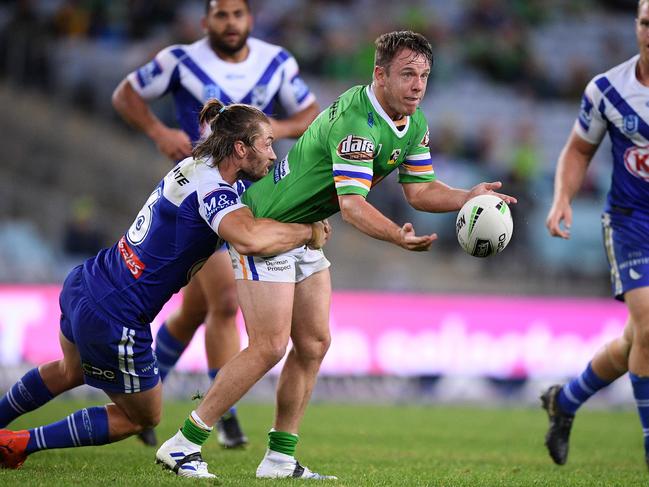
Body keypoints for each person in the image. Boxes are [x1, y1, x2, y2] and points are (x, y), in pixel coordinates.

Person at [156, 30, 517, 480]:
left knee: (313, 343)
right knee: (269, 347)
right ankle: (183, 444)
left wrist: (467, 196)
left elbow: (420, 190)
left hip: (307, 232)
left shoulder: (414, 123)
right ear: (379, 75)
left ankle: (279, 458)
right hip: (269, 226)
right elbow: (351, 205)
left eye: (424, 75)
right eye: (408, 74)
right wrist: (396, 237)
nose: (419, 85)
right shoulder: (357, 122)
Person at [0, 101, 329, 473]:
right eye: (266, 144)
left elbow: (213, 132)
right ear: (240, 148)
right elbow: (249, 238)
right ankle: (20, 444)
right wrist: (308, 231)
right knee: (140, 417)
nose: (272, 154)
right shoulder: (214, 190)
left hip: (88, 280)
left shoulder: (201, 161)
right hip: (117, 312)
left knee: (67, 370)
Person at [111, 0, 319, 447]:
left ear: (250, 19)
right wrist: (158, 131)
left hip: (259, 199)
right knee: (224, 302)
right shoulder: (180, 60)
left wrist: (265, 133)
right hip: (204, 197)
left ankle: (142, 406)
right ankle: (224, 418)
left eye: (237, 14)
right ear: (206, 22)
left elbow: (309, 115)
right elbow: (124, 95)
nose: (230, 23)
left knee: (194, 311)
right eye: (220, 15)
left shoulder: (277, 62)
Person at [542, 0, 649, 469]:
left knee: (636, 342)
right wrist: (562, 197)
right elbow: (577, 150)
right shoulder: (608, 89)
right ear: (636, 26)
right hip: (630, 222)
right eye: (647, 22)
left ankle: (565, 401)